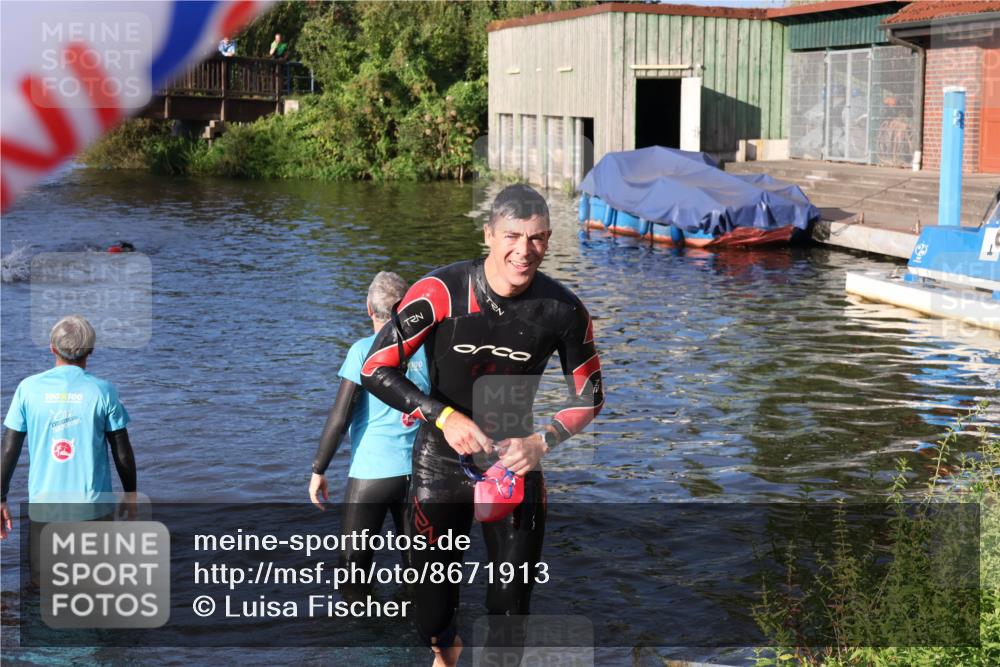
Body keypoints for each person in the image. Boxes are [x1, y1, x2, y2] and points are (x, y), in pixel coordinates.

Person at [361, 184, 604, 666]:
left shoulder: (563, 310)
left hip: (514, 465)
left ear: (549, 240)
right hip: (440, 460)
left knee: (511, 607)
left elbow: (590, 393)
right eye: (512, 235)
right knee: (430, 610)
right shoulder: (439, 292)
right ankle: (446, 648)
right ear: (489, 234)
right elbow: (374, 369)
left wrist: (543, 441)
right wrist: (443, 415)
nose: (523, 250)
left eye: (537, 238)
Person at [309, 272, 429, 600]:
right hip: (418, 474)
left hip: (371, 475)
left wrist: (319, 469)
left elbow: (339, 416)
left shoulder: (363, 350)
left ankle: (365, 640)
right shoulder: (427, 353)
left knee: (353, 569)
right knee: (417, 567)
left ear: (368, 309)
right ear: (407, 309)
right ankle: (418, 636)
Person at [1, 315, 137, 544]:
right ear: (90, 350)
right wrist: (131, 494)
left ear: (52, 348)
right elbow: (121, 450)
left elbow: (8, 449)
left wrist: (1, 497)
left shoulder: (27, 389)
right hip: (93, 508)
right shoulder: (104, 391)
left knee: (44, 578)